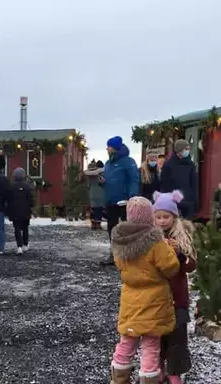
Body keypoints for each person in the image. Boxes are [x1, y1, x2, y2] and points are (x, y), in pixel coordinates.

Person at [109, 196, 180, 384]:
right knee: (151, 345)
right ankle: (148, 379)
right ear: (150, 216)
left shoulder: (120, 240)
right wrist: (171, 250)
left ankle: (118, 379)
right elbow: (171, 267)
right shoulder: (156, 241)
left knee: (126, 342)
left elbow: (119, 265)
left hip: (130, 299)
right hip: (154, 301)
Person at [153, 190, 196, 384]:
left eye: (166, 216)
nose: (162, 221)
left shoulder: (183, 237)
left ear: (174, 217)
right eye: (158, 217)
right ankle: (159, 368)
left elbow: (190, 265)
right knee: (157, 336)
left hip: (177, 298)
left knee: (177, 338)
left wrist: (178, 253)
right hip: (156, 297)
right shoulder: (150, 239)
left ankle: (175, 373)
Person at [100, 136, 140, 265]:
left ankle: (128, 254)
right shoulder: (108, 163)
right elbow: (110, 181)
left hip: (124, 201)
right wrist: (103, 182)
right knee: (112, 228)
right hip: (111, 201)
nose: (107, 148)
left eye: (109, 146)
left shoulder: (128, 162)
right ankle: (114, 254)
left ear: (115, 148)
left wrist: (132, 196)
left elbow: (134, 179)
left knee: (126, 228)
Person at [160, 140, 198, 219]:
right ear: (179, 150)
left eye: (188, 149)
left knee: (187, 227)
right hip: (174, 202)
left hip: (188, 202)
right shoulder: (168, 165)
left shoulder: (190, 164)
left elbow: (194, 184)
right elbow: (164, 185)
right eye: (186, 149)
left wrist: (195, 201)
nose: (187, 151)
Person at [6, 167, 33, 255]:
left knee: (17, 229)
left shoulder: (11, 187)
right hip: (25, 211)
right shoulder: (27, 187)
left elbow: (9, 199)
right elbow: (30, 200)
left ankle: (19, 247)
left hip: (15, 211)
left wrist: (8, 211)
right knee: (25, 228)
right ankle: (25, 244)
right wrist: (30, 208)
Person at [84, 160, 105, 230]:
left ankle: (93, 224)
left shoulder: (89, 175)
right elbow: (103, 183)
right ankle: (98, 224)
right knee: (99, 209)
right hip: (100, 193)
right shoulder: (102, 174)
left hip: (92, 193)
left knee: (93, 209)